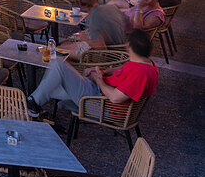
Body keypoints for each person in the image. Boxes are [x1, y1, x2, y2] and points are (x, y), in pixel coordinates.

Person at [27, 29, 158, 118]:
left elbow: (115, 98)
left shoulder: (141, 73)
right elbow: (123, 69)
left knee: (58, 64)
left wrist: (98, 79)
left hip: (102, 106)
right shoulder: (144, 62)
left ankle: (30, 104)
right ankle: (31, 106)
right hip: (98, 93)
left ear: (129, 45)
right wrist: (102, 71)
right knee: (52, 84)